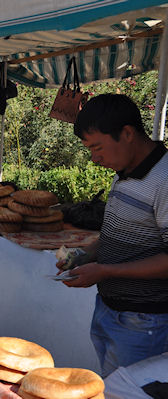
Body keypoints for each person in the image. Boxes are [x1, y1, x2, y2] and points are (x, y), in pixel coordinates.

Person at [57, 94, 168, 377]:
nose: (95, 158)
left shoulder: (164, 180)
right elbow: (120, 235)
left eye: (97, 147)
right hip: (109, 310)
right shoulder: (124, 171)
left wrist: (105, 270)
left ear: (127, 133)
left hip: (145, 321)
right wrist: (84, 255)